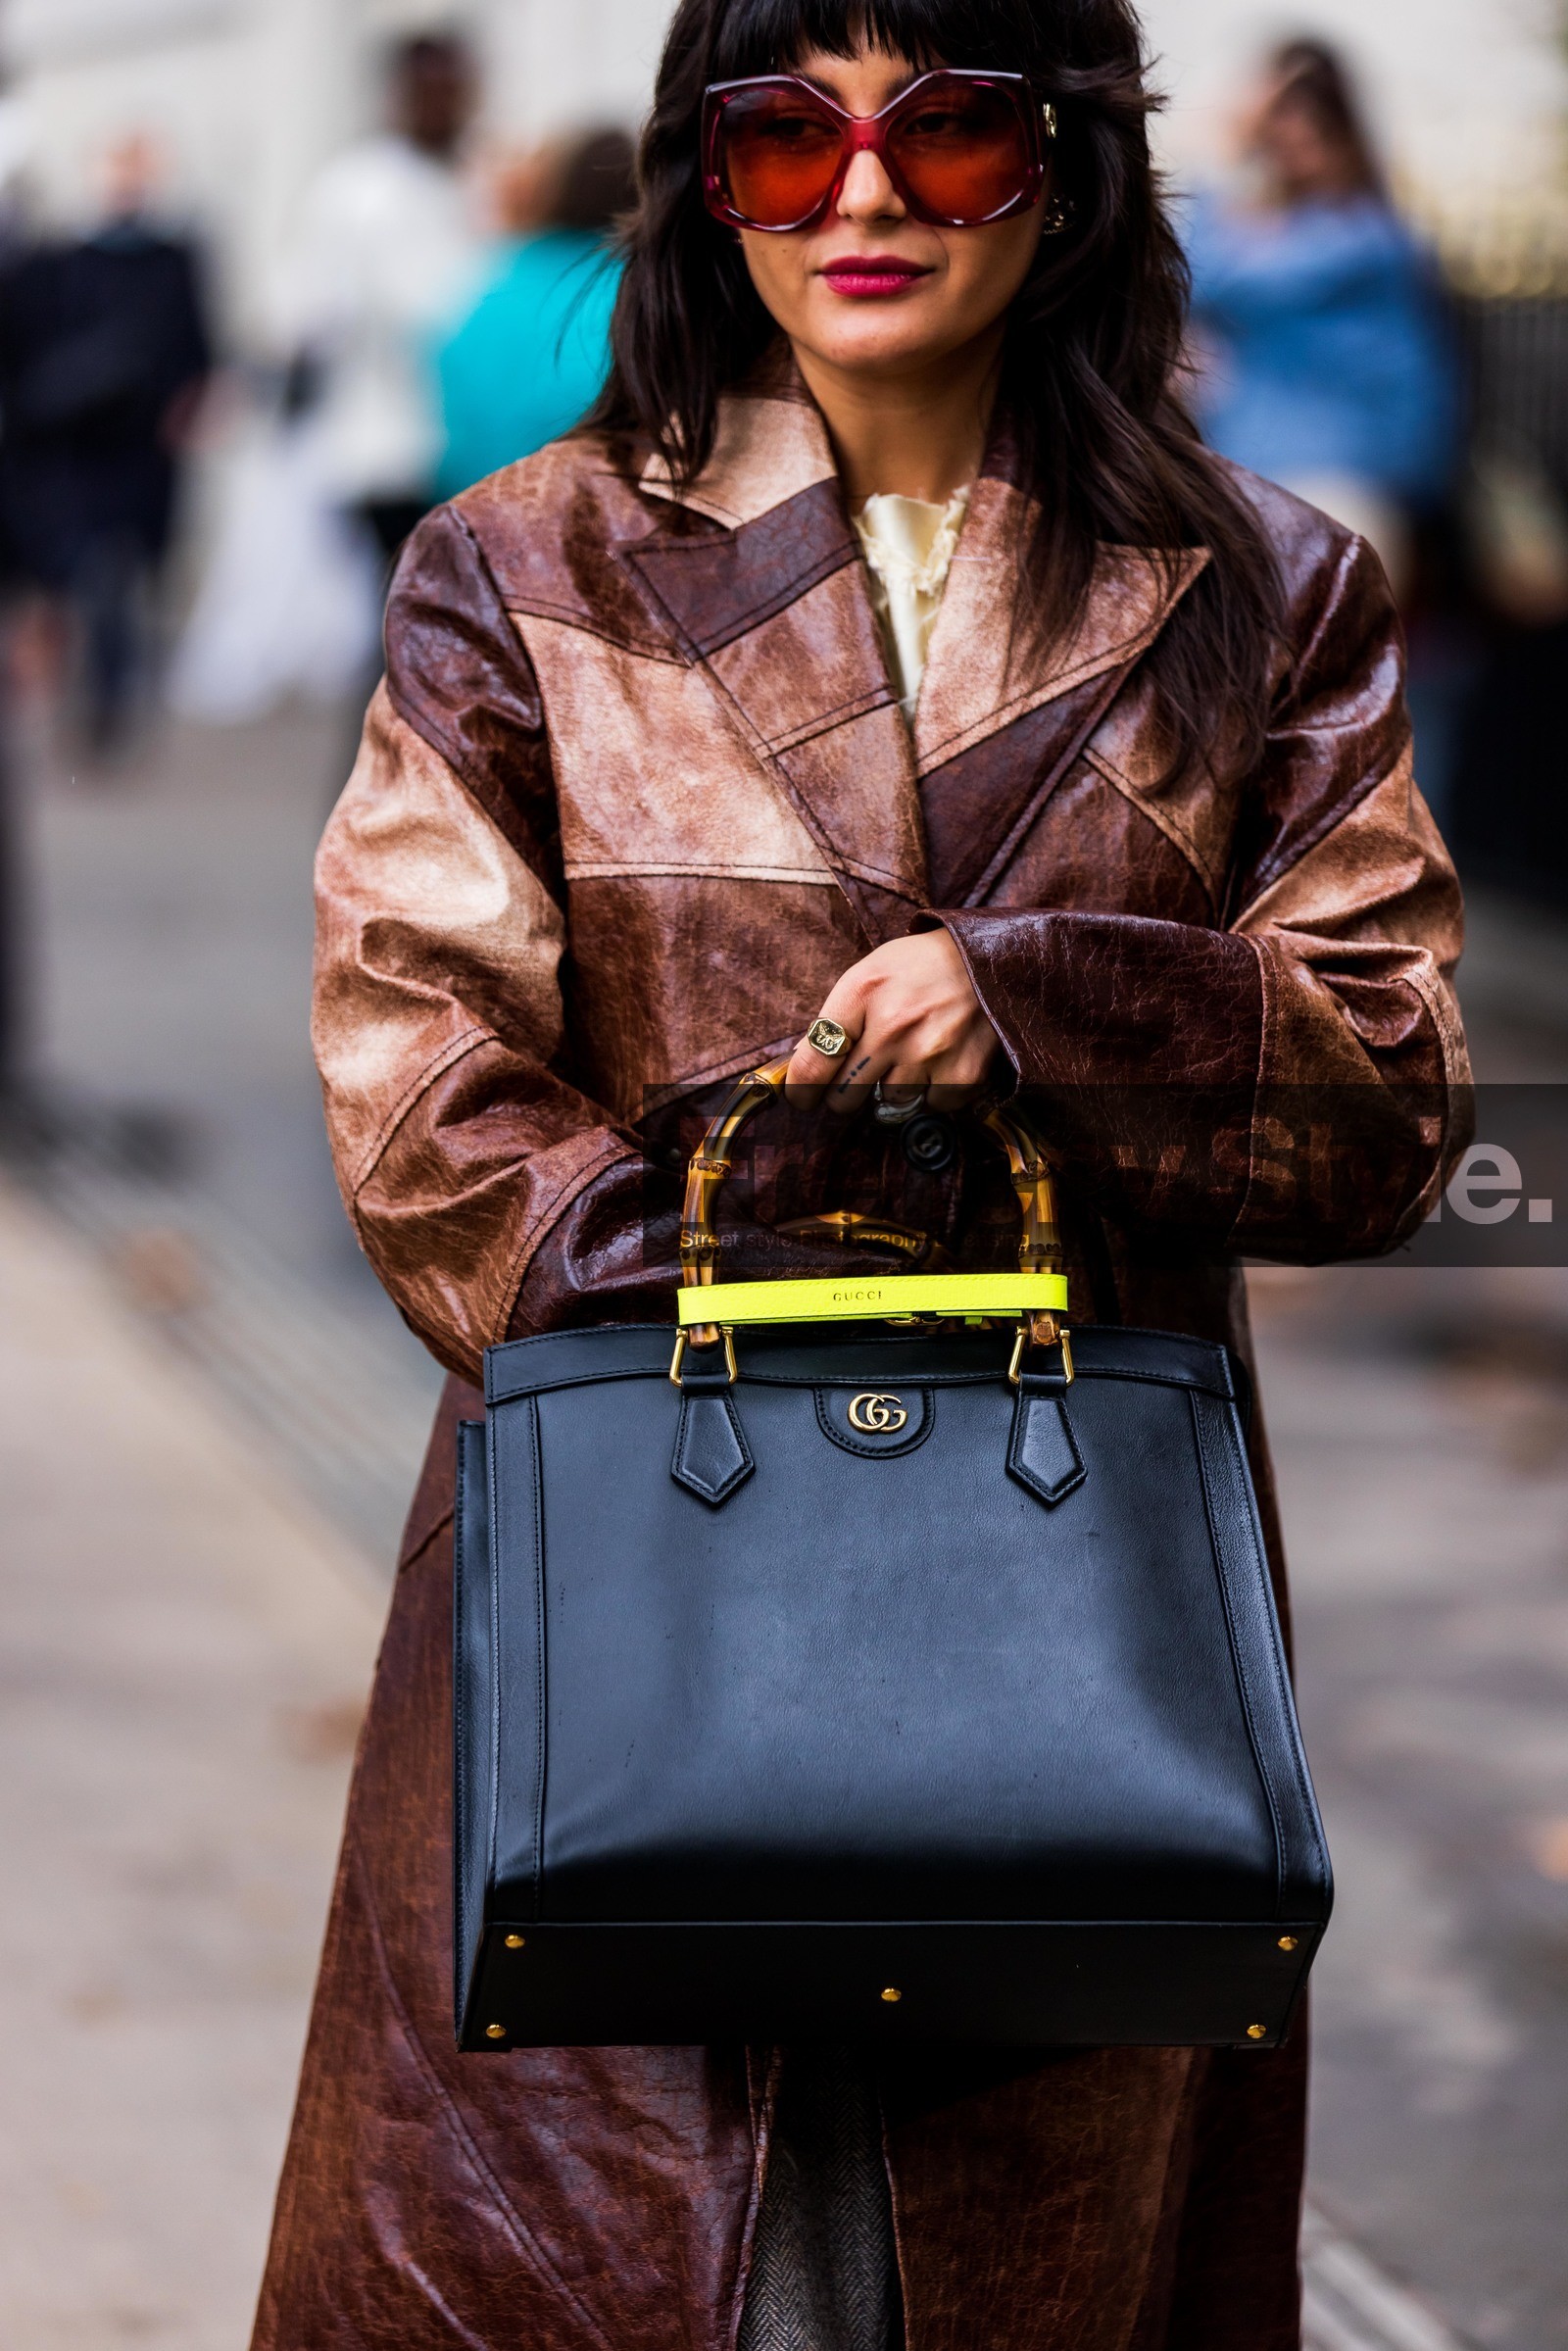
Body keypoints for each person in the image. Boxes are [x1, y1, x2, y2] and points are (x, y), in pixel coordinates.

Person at [256, 0, 1467, 2343]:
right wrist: (747, 1298)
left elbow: (1389, 1087)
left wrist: (1051, 997)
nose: (865, 198)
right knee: (602, 2247)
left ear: (1071, 162)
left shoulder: (1263, 590)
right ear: (697, 180)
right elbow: (420, 1093)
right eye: (779, 138)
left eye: (949, 126)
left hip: (1062, 1605)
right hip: (627, 1579)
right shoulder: (525, 572)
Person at [1185, 39, 1457, 602]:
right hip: (1264, 493)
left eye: (1316, 116)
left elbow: (1200, 274)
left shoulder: (1362, 239)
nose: (1298, 133)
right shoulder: (1287, 232)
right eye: (1283, 115)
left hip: (1333, 498)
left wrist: (1232, 147)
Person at [0, 133, 211, 753]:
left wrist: (187, 403)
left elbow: (195, 343)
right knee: (85, 572)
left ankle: (111, 695)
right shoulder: (59, 262)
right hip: (74, 449)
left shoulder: (172, 258)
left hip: (141, 447)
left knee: (125, 571)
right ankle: (94, 693)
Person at [285, 30, 480, 566]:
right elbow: (316, 313)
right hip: (384, 448)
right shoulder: (358, 190)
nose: (447, 106)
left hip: (463, 447)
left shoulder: (473, 180)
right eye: (432, 91)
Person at [435, 127, 636, 497]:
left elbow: (452, 396)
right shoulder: (640, 292)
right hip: (592, 513)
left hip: (480, 505)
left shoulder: (496, 281)